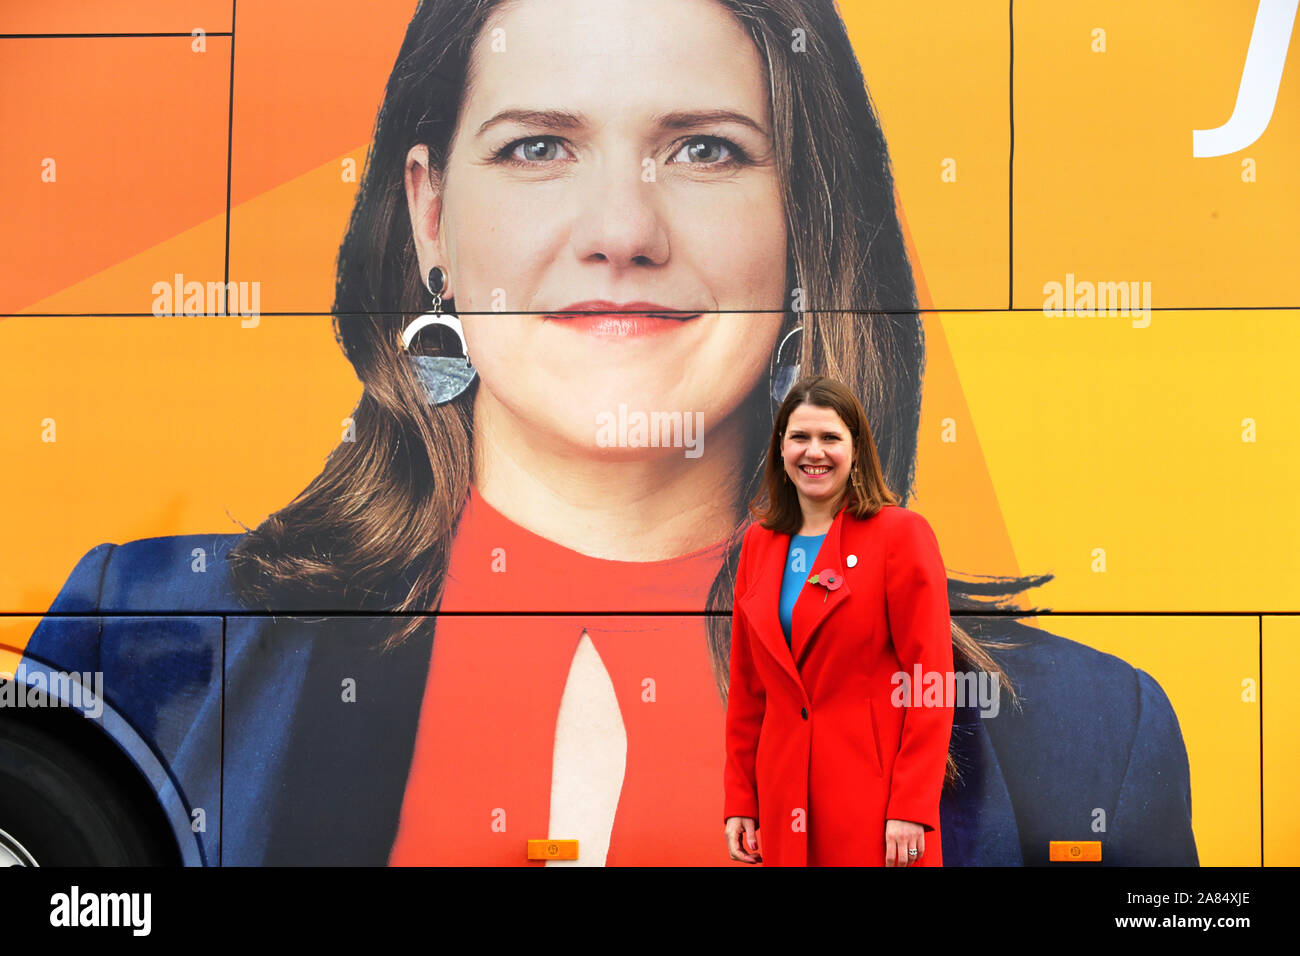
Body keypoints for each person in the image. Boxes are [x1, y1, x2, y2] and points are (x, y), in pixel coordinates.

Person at [19, 0, 1197, 867]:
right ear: (431, 211)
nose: (621, 229)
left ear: (803, 226)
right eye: (539, 146)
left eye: (704, 148)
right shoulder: (146, 654)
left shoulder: (1085, 742)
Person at [724, 375, 954, 867]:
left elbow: (930, 682)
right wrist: (741, 800)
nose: (815, 452)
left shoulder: (900, 535)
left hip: (874, 807)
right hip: (782, 803)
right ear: (780, 449)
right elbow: (748, 691)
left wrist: (911, 806)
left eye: (830, 438)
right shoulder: (758, 546)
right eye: (800, 437)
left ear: (856, 449)